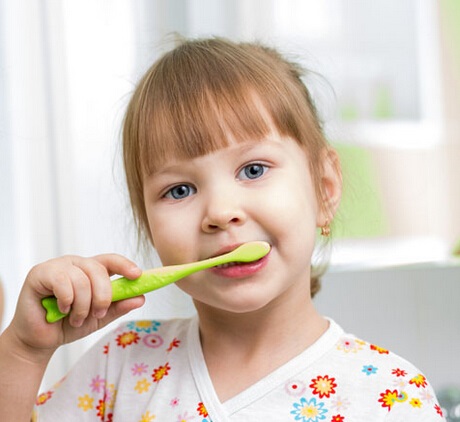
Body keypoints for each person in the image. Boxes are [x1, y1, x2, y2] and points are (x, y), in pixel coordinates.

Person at [0, 37, 445, 422]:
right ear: (149, 228)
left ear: (324, 189)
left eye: (253, 169)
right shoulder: (119, 368)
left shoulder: (389, 397)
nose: (220, 212)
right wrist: (23, 350)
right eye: (179, 190)